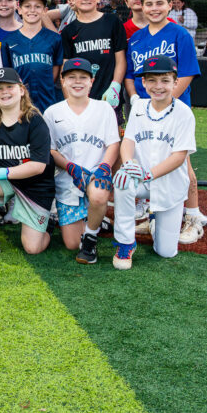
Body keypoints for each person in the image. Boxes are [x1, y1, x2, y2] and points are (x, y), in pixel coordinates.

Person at [125, 0, 205, 242]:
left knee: (182, 164)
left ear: (170, 5)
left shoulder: (179, 34)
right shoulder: (136, 39)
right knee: (149, 160)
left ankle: (194, 218)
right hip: (144, 110)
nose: (154, 8)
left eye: (160, 3)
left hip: (173, 108)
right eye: (149, 3)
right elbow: (129, 76)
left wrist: (164, 103)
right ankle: (153, 216)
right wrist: (138, 101)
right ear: (141, 6)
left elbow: (187, 73)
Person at [111, 55, 197, 270]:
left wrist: (148, 173)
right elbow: (128, 141)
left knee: (166, 252)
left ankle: (154, 221)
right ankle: (125, 242)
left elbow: (179, 157)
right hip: (141, 178)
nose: (158, 86)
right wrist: (129, 164)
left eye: (165, 80)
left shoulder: (184, 113)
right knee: (122, 181)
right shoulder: (139, 106)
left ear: (175, 82)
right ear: (144, 82)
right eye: (152, 80)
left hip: (169, 182)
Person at [0, 67, 57, 258]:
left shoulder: (35, 121)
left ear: (21, 90)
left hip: (36, 186)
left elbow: (38, 167)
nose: (4, 92)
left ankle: (48, 224)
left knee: (32, 248)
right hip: (9, 182)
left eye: (9, 87)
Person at [45, 58, 119, 264]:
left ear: (91, 81)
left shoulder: (104, 109)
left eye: (83, 78)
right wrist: (69, 166)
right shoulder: (52, 112)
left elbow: (114, 143)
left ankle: (91, 239)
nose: (77, 82)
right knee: (70, 244)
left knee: (97, 196)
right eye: (71, 78)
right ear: (63, 81)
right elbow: (50, 149)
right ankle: (95, 220)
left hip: (95, 172)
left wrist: (104, 166)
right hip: (68, 178)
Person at [59, 0, 127, 120]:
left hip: (108, 99)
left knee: (113, 141)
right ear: (72, 0)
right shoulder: (68, 31)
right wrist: (68, 101)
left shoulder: (112, 22)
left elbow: (120, 59)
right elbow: (64, 69)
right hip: (81, 100)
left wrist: (115, 86)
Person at [1, 0, 63, 113]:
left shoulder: (55, 39)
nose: (32, 10)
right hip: (19, 105)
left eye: (38, 6)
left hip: (47, 102)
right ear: (19, 9)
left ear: (45, 10)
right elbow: (8, 72)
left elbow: (56, 69)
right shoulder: (9, 41)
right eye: (27, 6)